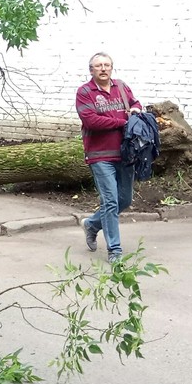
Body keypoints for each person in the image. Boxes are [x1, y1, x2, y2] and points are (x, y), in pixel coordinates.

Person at [76, 52, 145, 261]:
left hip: (125, 153)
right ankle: (114, 250)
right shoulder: (84, 92)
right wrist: (123, 122)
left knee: (124, 200)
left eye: (107, 65)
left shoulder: (121, 87)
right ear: (91, 70)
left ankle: (92, 224)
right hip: (100, 155)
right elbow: (91, 121)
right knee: (110, 201)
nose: (103, 69)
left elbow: (136, 104)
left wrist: (134, 109)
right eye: (98, 66)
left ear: (111, 68)